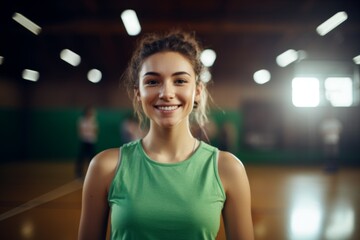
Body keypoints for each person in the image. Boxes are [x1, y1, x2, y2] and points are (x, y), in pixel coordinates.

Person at [78, 31, 254, 240]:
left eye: (180, 81)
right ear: (138, 93)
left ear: (197, 91)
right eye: (152, 82)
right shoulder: (104, 166)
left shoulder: (227, 168)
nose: (166, 93)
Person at [75, 106, 98, 178]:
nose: (91, 113)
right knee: (81, 157)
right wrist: (87, 133)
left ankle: (92, 173)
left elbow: (95, 131)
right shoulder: (82, 120)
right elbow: (81, 130)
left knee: (92, 158)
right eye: (89, 111)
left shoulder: (93, 120)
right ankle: (79, 173)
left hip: (91, 141)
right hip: (84, 141)